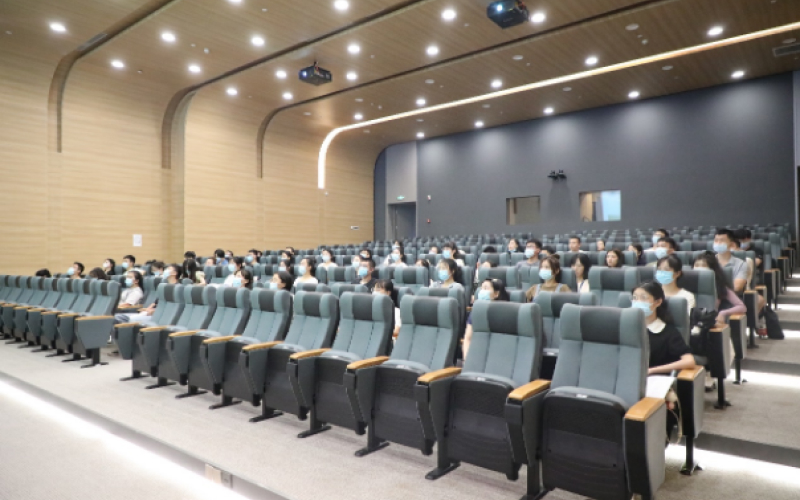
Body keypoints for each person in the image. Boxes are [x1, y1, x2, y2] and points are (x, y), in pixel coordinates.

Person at [631, 281, 695, 375]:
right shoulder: (627, 328)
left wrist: (652, 370)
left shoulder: (668, 331)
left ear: (658, 302)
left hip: (654, 378)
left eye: (643, 298)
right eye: (635, 298)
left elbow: (689, 361)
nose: (638, 302)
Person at [693, 252, 747, 327]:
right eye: (696, 265)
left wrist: (723, 313)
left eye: (704, 265)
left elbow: (742, 307)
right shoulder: (686, 284)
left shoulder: (720, 286)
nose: (699, 268)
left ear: (712, 269)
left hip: (708, 323)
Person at [463, 279, 510, 358]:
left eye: (486, 288)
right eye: (481, 288)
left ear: (496, 294)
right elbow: (468, 339)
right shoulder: (476, 311)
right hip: (476, 354)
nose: (481, 291)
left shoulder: (505, 314)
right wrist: (466, 359)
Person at [713, 229, 747, 294]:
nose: (718, 243)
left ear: (732, 245)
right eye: (716, 240)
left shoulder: (741, 264)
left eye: (722, 241)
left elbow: (737, 287)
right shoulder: (707, 261)